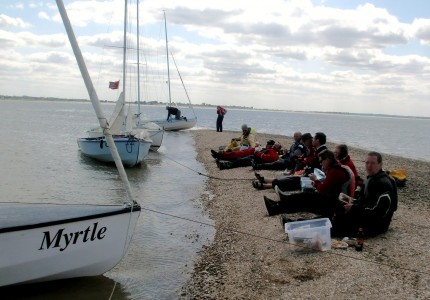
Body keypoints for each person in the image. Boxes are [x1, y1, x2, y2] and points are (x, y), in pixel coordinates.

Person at [263, 150, 352, 219]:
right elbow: (327, 187)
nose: (321, 164)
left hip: (329, 204)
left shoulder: (334, 172)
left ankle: (277, 207)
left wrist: (316, 181)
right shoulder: (335, 170)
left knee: (303, 200)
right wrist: (317, 183)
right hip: (330, 201)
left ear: (328, 160)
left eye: (321, 162)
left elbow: (323, 189)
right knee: (303, 199)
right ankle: (276, 206)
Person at [332, 151, 398, 237]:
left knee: (336, 226)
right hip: (366, 216)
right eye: (367, 163)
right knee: (335, 214)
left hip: (376, 225)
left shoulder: (383, 184)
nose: (369, 166)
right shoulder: (371, 178)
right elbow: (364, 200)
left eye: (373, 163)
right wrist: (352, 201)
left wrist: (353, 208)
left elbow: (377, 213)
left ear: (380, 164)